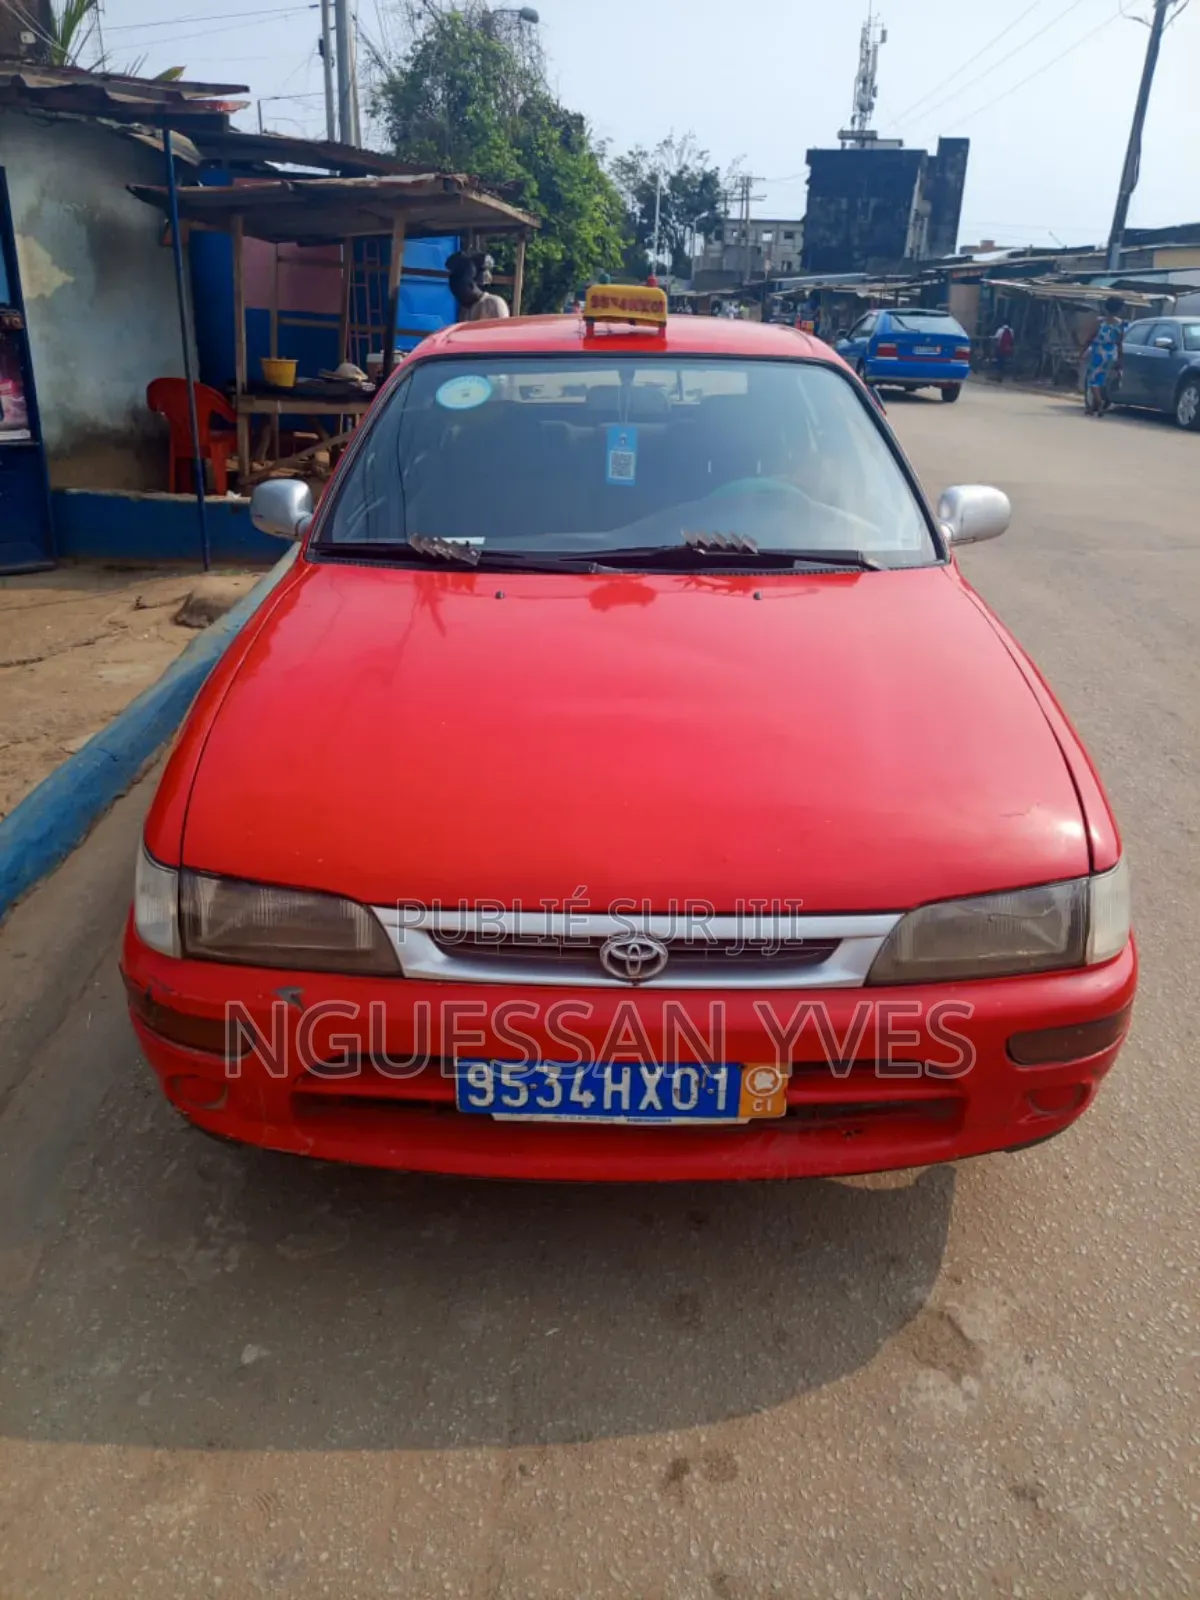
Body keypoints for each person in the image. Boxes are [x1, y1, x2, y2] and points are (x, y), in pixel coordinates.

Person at [1083, 297, 1125, 416]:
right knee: (1101, 379)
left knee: (1092, 380)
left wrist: (1082, 352)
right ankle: (1092, 408)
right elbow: (1120, 342)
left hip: (1099, 352)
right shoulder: (1121, 323)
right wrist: (1121, 360)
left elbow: (1090, 337)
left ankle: (1099, 403)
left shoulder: (1100, 321)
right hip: (1112, 353)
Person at [447, 250, 511, 322]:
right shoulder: (465, 312)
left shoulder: (493, 304)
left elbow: (501, 331)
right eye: (455, 294)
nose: (459, 298)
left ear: (471, 285)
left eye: (460, 292)